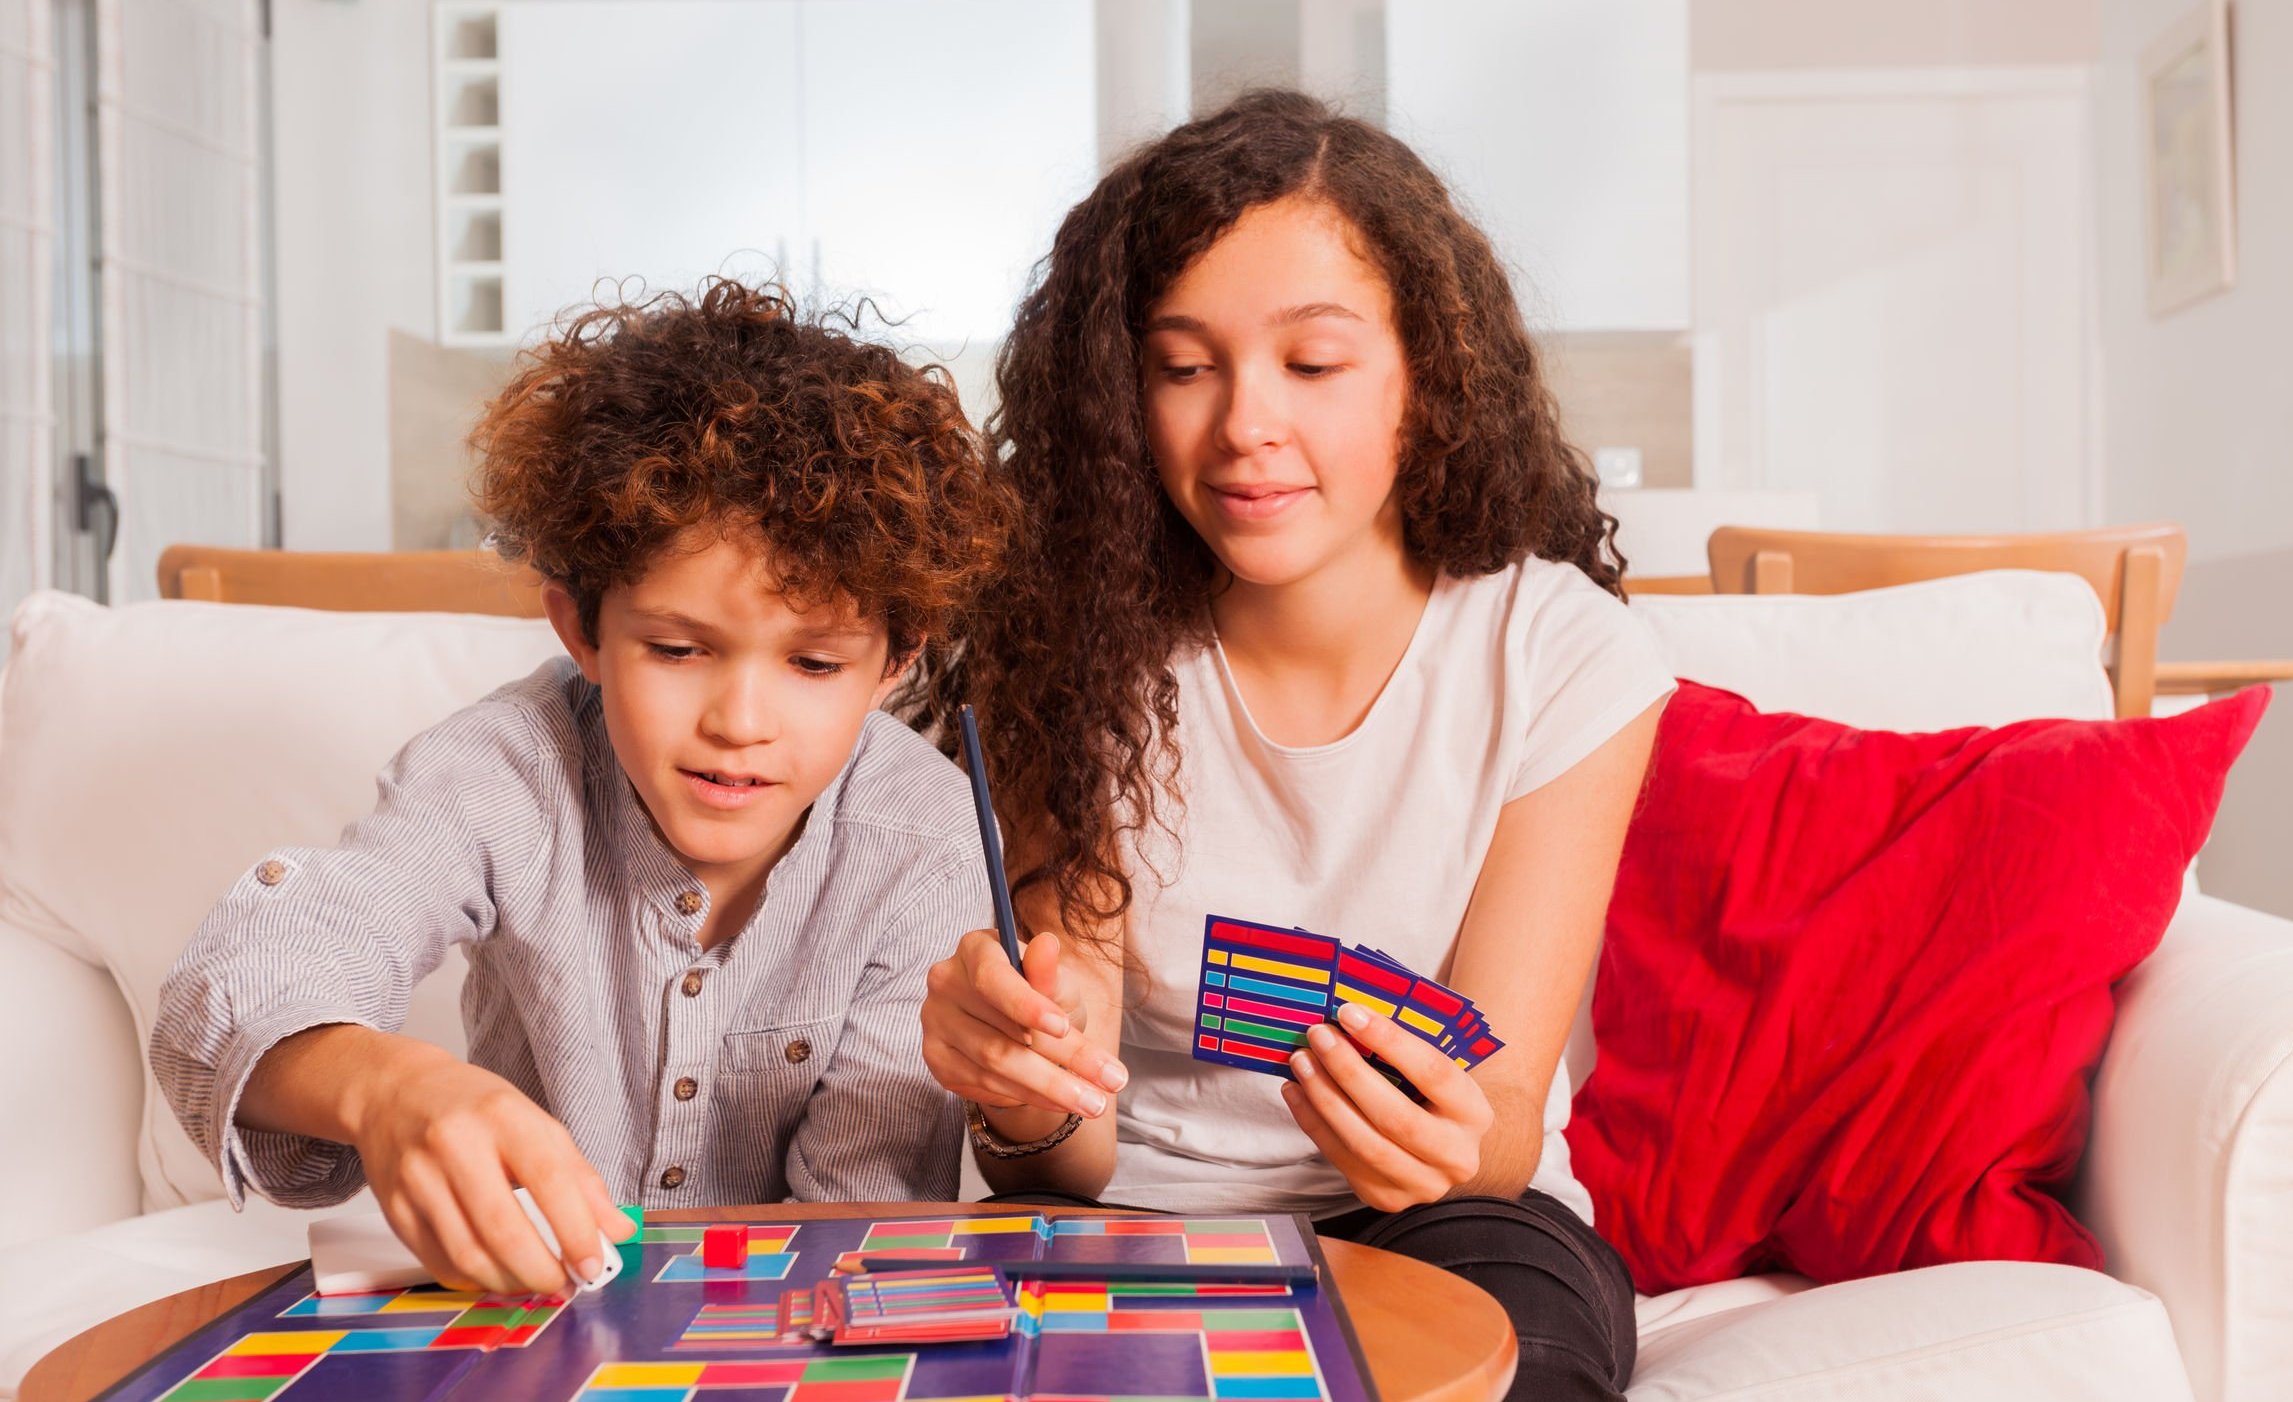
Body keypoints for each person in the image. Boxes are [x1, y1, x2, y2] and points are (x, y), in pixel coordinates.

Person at [908, 91, 1672, 1399]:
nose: (1244, 423)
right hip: (1138, 1218)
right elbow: (1058, 1158)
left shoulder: (1559, 655)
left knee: (1529, 1328)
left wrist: (1427, 1141)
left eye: (1311, 366)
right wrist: (1027, 1091)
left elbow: (1492, 1135)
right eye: (1183, 366)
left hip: (1445, 1223)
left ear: (1426, 375)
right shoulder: (1069, 644)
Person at [151, 279, 1015, 1298]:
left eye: (815, 665)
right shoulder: (503, 770)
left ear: (896, 662)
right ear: (582, 630)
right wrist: (391, 1088)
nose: (739, 721)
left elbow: (859, 1228)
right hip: (529, 1317)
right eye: (679, 648)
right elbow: (239, 980)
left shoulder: (923, 837)